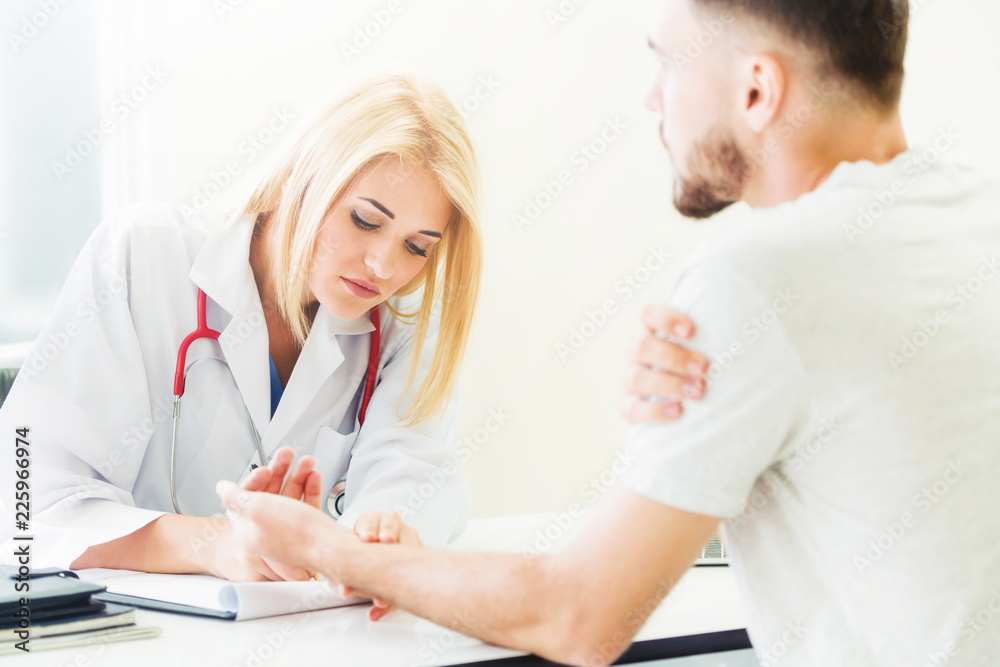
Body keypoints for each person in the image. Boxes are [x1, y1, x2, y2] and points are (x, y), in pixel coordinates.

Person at [216, 0, 1000, 665]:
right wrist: (731, 416)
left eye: (668, 62)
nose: (653, 96)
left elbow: (576, 616)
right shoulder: (977, 219)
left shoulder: (757, 276)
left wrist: (329, 548)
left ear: (757, 90)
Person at [0, 72, 505, 582]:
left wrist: (370, 544)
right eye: (366, 221)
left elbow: (416, 478)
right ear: (300, 178)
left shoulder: (404, 320)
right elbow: (26, 502)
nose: (384, 266)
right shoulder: (143, 256)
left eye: (417, 247)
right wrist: (212, 544)